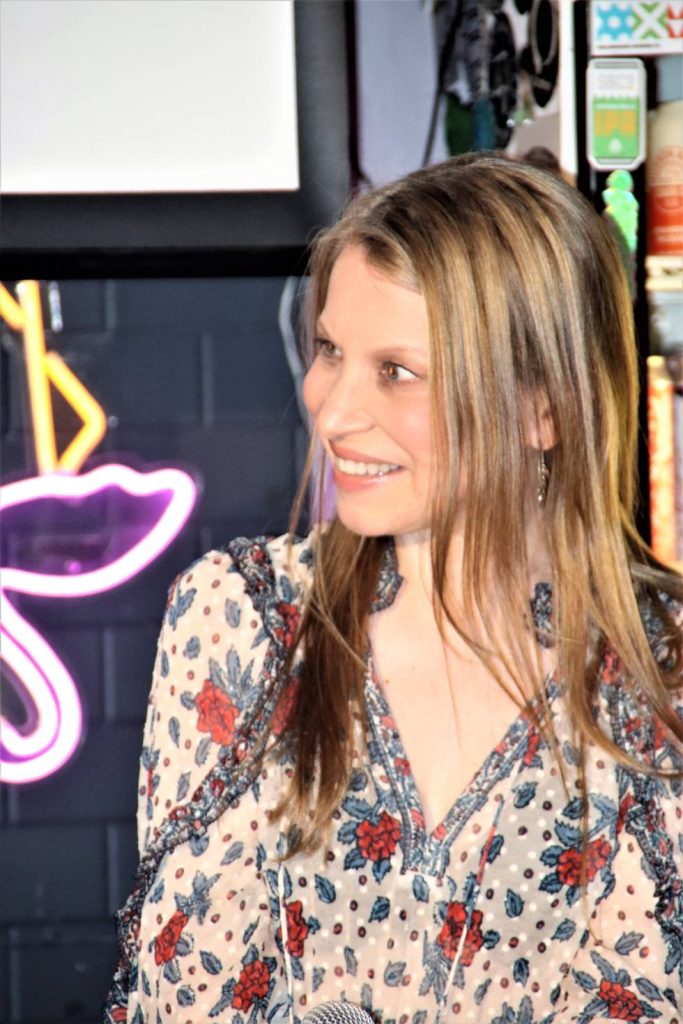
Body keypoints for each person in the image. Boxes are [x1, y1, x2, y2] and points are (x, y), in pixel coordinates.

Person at [104, 153, 683, 1024]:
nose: (332, 410)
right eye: (329, 351)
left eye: (395, 371)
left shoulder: (655, 666)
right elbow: (187, 995)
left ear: (544, 408)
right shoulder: (243, 620)